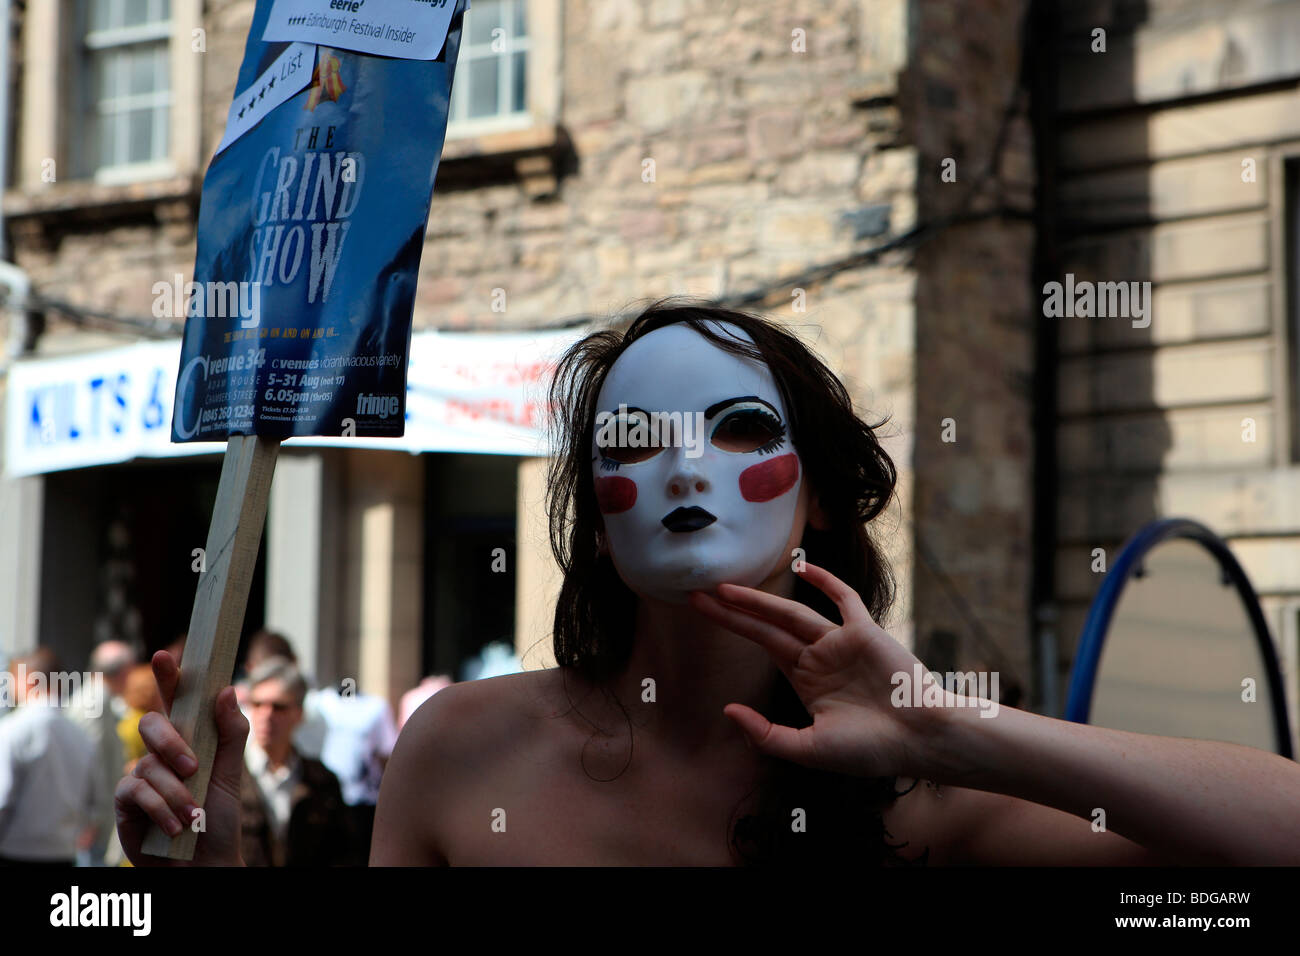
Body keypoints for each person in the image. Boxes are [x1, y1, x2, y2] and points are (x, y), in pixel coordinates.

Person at [115, 298, 1300, 866]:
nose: (686, 461)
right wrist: (212, 862)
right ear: (595, 496)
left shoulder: (929, 800)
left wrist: (951, 729)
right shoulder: (463, 745)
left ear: (818, 495)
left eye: (738, 428)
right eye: (634, 433)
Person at [240, 657, 356, 866]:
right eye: (258, 704)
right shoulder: (226, 773)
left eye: (278, 707)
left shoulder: (322, 780)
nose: (266, 715)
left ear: (299, 713)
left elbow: (343, 851)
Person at [0, 649, 106, 866]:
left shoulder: (11, 730)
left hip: (15, 853)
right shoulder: (82, 736)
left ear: (27, 680)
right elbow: (97, 801)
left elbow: (2, 798)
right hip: (64, 854)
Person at [67, 640, 133, 866]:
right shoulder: (94, 703)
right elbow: (88, 765)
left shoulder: (99, 699)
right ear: (123, 672)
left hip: (94, 822)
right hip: (90, 826)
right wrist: (91, 819)